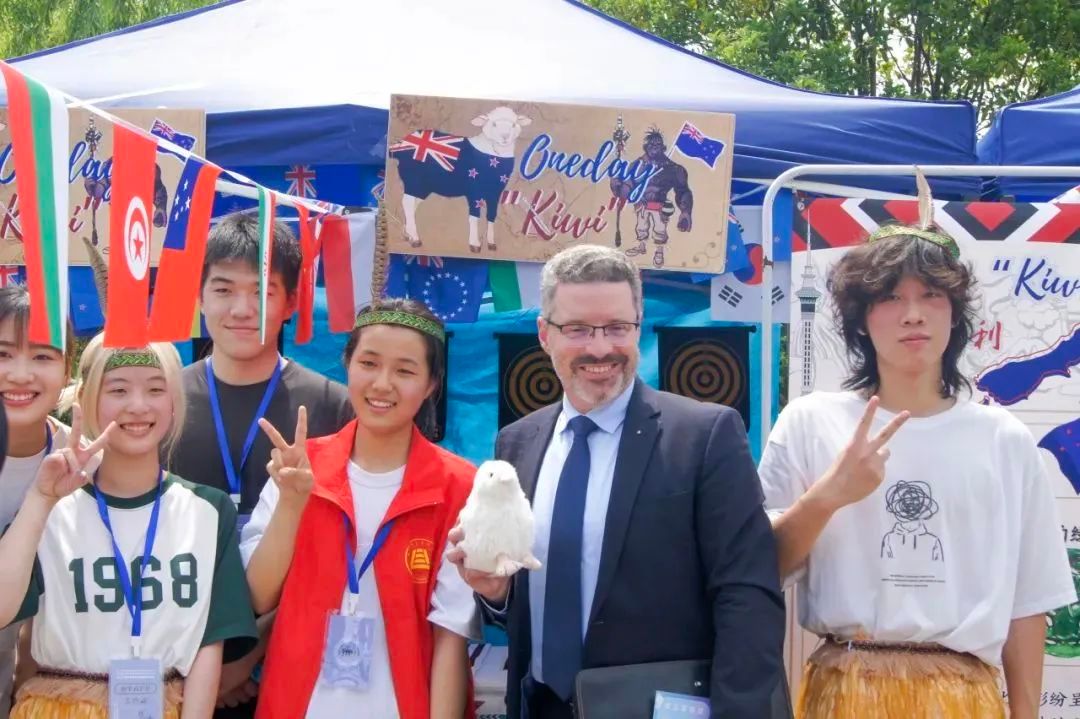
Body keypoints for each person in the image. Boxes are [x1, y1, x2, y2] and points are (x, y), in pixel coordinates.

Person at [449, 244, 786, 719]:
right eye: (578, 329)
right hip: (539, 703)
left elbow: (747, 595)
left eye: (616, 327)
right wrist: (496, 594)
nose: (600, 347)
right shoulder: (517, 443)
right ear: (544, 334)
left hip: (651, 706)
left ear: (638, 327)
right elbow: (528, 595)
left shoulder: (704, 436)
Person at [758, 223, 1076, 719]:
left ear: (955, 315)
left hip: (963, 694)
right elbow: (760, 570)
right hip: (845, 688)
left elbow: (1027, 603)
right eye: (890, 297)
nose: (913, 314)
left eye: (931, 295)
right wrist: (828, 496)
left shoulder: (1003, 439)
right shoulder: (811, 422)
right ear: (861, 318)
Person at [241, 299, 479, 718]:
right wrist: (291, 503)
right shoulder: (299, 467)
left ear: (430, 385)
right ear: (347, 365)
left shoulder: (458, 487)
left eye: (405, 371)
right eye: (369, 363)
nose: (382, 384)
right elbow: (260, 596)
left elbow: (451, 635)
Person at [0, 335, 258, 718]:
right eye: (118, 390)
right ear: (86, 397)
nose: (138, 406)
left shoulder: (208, 510)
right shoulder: (50, 507)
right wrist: (40, 500)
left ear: (175, 400)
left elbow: (208, 644)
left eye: (156, 389)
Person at [167, 211, 353, 715]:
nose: (241, 309)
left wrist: (250, 657)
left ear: (291, 302)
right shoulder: (162, 404)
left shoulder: (333, 406)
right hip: (173, 671)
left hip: (300, 668)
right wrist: (210, 672)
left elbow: (340, 548)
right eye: (223, 289)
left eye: (263, 292)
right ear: (199, 296)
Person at [0, 285, 77, 717]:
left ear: (68, 370)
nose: (20, 374)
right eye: (3, 354)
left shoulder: (86, 464)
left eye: (42, 357)